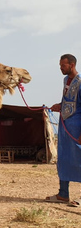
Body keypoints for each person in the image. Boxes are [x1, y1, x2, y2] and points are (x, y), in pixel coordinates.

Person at [45, 54, 81, 207]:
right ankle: (63, 194)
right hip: (64, 127)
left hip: (77, 129)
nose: (60, 68)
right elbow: (68, 101)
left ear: (71, 65)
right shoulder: (66, 81)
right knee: (64, 159)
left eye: (63, 65)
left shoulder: (80, 82)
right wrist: (59, 106)